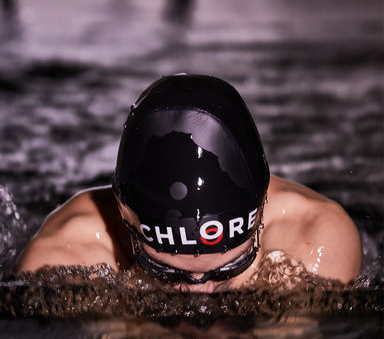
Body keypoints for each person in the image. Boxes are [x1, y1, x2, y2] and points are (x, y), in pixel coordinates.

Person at [15, 74, 362, 291]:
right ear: (124, 222)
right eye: (165, 272)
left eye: (230, 267)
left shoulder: (318, 242)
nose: (197, 296)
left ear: (260, 213)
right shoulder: (58, 260)